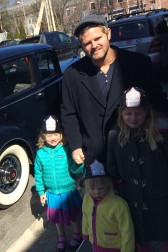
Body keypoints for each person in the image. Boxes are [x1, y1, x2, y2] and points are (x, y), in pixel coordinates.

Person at [61, 14, 168, 167]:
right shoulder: (72, 75)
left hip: (138, 153)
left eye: (98, 39)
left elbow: (158, 101)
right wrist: (76, 146)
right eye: (87, 43)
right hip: (96, 160)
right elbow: (68, 113)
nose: (94, 45)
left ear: (108, 34)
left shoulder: (138, 64)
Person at [106, 87, 168, 251]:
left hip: (159, 192)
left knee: (163, 225)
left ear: (147, 112)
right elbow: (112, 167)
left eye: (138, 113)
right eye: (128, 113)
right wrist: (115, 189)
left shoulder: (160, 132)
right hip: (132, 195)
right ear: (121, 113)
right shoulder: (115, 134)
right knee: (139, 231)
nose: (133, 118)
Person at [34, 115, 84, 252]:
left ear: (62, 134)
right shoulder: (40, 154)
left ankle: (77, 235)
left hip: (69, 191)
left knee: (73, 216)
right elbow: (38, 175)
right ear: (43, 136)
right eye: (49, 134)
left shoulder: (67, 150)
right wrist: (40, 192)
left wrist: (79, 164)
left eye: (56, 133)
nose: (53, 137)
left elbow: (75, 169)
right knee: (57, 219)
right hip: (52, 193)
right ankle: (62, 237)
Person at [82, 160, 135, 251]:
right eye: (92, 188)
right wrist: (85, 232)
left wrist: (127, 249)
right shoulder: (87, 199)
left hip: (113, 246)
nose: (96, 192)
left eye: (101, 188)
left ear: (108, 185)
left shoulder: (118, 204)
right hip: (95, 244)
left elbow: (127, 230)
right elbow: (85, 216)